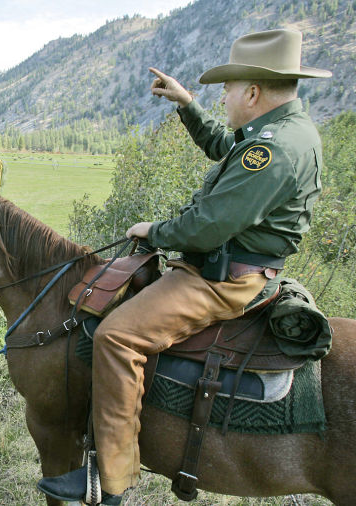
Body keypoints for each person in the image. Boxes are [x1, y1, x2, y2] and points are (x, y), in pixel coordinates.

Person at [37, 29, 331, 504]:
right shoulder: (278, 132)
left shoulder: (273, 149)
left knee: (116, 336)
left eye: (228, 90)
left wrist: (153, 231)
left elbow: (207, 227)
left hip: (220, 280)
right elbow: (224, 146)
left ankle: (106, 481)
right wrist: (187, 105)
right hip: (230, 266)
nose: (226, 98)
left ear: (253, 93)